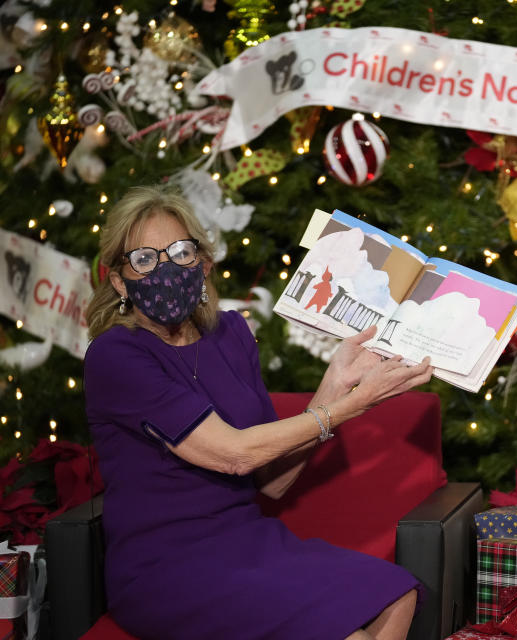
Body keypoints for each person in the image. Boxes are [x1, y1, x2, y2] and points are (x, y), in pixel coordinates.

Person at [83, 186, 434, 640]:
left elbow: (272, 480)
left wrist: (336, 383)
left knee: (397, 594)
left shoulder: (231, 334)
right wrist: (352, 406)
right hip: (165, 567)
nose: (165, 269)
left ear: (203, 263)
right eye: (145, 260)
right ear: (118, 280)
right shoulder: (116, 355)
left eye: (179, 252)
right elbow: (233, 456)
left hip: (248, 542)